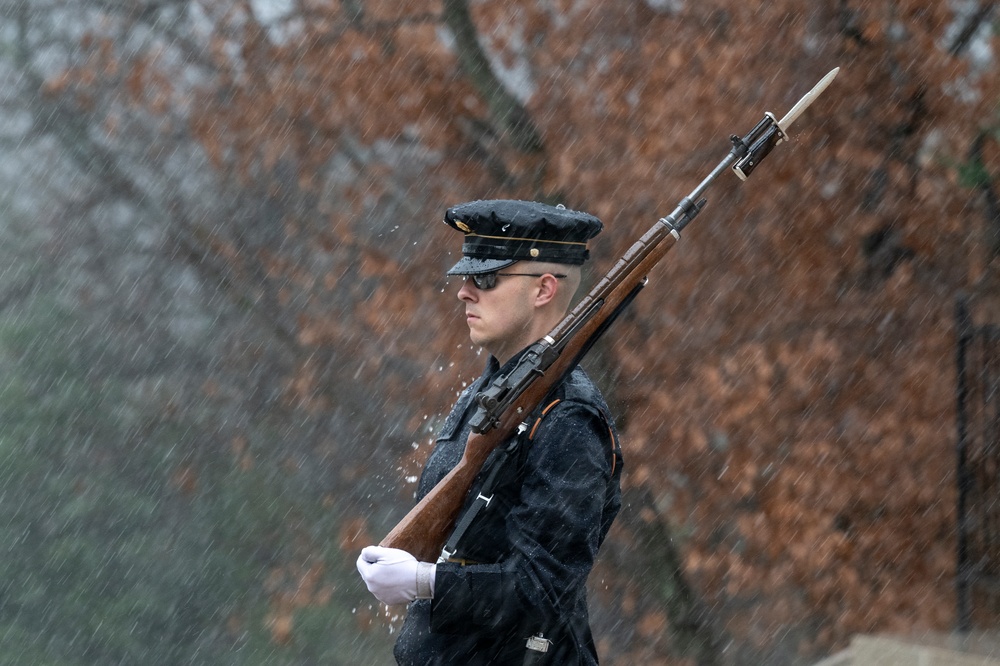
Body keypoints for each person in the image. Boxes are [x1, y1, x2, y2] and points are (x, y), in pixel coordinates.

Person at [357, 199, 623, 665]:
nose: (463, 292)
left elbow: (542, 591)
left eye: (485, 279)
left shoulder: (568, 419)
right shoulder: (489, 394)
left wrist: (426, 581)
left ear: (543, 289)